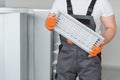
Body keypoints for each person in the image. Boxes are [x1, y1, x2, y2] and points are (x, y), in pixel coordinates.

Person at [46, 0, 117, 80]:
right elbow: (50, 19)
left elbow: (111, 28)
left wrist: (101, 43)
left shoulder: (102, 2)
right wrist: (48, 23)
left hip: (90, 56)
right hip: (66, 56)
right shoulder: (60, 1)